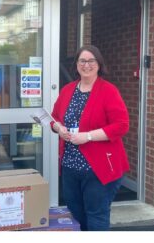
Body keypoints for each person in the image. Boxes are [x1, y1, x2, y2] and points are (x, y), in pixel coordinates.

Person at [49, 45, 129, 231]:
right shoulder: (68, 90)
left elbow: (121, 125)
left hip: (98, 167)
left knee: (96, 215)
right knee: (76, 213)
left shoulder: (108, 91)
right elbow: (54, 118)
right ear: (76, 64)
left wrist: (88, 136)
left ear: (99, 64)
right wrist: (59, 129)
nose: (86, 65)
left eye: (91, 60)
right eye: (82, 61)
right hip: (70, 166)